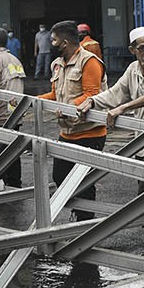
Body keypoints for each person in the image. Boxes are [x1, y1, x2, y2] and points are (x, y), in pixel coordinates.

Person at [77, 26, 144, 258]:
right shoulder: (133, 70)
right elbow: (116, 93)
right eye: (142, 48)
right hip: (143, 142)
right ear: (133, 50)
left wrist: (124, 107)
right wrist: (92, 102)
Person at [37, 20, 107, 221]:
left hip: (89, 133)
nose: (51, 43)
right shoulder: (57, 64)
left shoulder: (89, 61)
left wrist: (68, 107)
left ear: (65, 42)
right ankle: (79, 211)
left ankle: (85, 223)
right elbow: (54, 94)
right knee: (60, 176)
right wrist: (33, 101)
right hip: (67, 133)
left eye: (54, 40)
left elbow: (92, 94)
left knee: (84, 182)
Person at [0, 27, 26, 187]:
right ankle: (15, 183)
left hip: (1, 113)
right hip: (15, 112)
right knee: (13, 150)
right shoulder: (14, 59)